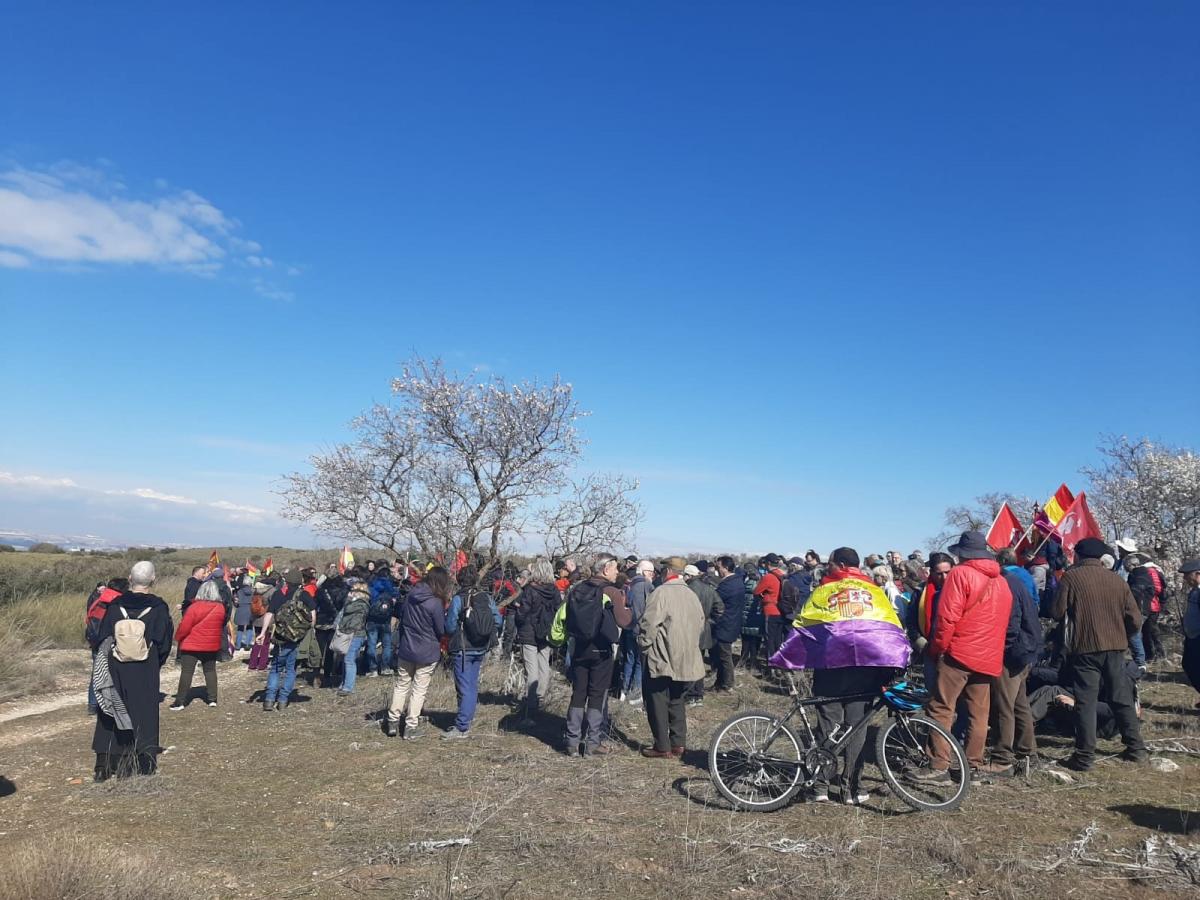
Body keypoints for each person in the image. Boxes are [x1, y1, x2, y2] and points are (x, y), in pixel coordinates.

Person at [770, 547, 911, 803]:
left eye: (831, 564)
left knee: (828, 722)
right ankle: (851, 788)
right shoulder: (875, 592)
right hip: (866, 669)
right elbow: (892, 628)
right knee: (857, 726)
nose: (827, 567)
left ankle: (820, 785)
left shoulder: (824, 591)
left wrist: (788, 656)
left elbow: (803, 625)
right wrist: (899, 659)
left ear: (841, 565)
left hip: (830, 667)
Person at [910, 531, 1012, 784]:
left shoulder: (960, 574)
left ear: (962, 553)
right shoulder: (1001, 581)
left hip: (960, 652)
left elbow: (947, 618)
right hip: (988, 656)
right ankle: (972, 766)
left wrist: (937, 649)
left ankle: (939, 765)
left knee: (941, 708)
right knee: (980, 714)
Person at [1052, 537, 1147, 771]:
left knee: (1086, 701)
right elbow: (1135, 619)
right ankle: (1136, 749)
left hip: (1084, 648)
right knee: (1121, 697)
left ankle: (1084, 756)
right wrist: (1122, 635)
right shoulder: (1117, 580)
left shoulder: (1072, 578)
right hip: (1115, 647)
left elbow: (1056, 611)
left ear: (1079, 556)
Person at [91, 561, 174, 780]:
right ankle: (141, 763)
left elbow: (103, 637)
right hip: (145, 665)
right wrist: (156, 661)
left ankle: (103, 764)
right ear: (153, 580)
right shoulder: (159, 607)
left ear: (130, 578)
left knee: (110, 709)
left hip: (116, 663)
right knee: (143, 712)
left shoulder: (115, 604)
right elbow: (164, 641)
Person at [563, 553, 629, 757]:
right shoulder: (612, 591)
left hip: (579, 647)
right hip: (601, 650)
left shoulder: (578, 588)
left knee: (578, 692)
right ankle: (592, 743)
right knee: (597, 694)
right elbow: (624, 621)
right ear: (606, 568)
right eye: (615, 568)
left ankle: (571, 742)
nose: (618, 572)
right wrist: (630, 609)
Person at [638, 556, 704, 758]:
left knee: (656, 700)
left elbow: (649, 625)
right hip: (687, 656)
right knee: (676, 700)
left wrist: (643, 645)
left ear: (667, 571)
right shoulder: (691, 595)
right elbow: (701, 623)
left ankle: (662, 746)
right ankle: (678, 743)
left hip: (662, 656)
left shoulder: (660, 593)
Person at [984, 548, 1041, 775]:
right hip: (1025, 649)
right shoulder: (1015, 580)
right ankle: (1028, 752)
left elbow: (1012, 622)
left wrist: (1001, 649)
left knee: (1003, 705)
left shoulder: (1005, 583)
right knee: (1019, 704)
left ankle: (1002, 758)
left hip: (1012, 652)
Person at [386, 566, 451, 740]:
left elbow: (403, 619)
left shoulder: (410, 596)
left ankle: (392, 721)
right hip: (427, 649)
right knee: (418, 689)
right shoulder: (435, 602)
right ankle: (410, 726)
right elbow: (440, 628)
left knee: (401, 685)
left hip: (407, 647)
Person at [443, 566, 502, 739]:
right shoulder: (486, 597)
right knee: (471, 685)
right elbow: (498, 620)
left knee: (464, 687)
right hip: (481, 647)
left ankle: (462, 727)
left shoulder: (458, 599)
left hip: (463, 648)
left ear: (459, 580)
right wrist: (483, 633)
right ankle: (465, 720)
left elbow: (450, 626)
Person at [259, 569, 317, 711]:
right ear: (300, 581)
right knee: (291, 669)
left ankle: (269, 699)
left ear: (287, 581)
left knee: (276, 669)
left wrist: (262, 632)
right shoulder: (305, 595)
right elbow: (313, 618)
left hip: (280, 636)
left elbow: (269, 614)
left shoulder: (279, 594)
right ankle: (283, 700)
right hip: (296, 638)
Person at [512, 556, 560, 721]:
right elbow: (558, 611)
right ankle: (539, 698)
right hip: (546, 633)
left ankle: (531, 707)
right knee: (543, 667)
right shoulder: (554, 591)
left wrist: (518, 614)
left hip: (529, 633)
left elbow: (522, 613)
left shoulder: (530, 590)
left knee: (531, 670)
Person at [170, 579, 226, 709]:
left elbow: (185, 626)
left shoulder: (194, 607)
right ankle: (212, 699)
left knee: (187, 672)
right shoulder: (220, 607)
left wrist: (178, 637)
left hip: (191, 644)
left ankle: (180, 702)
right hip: (211, 644)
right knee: (210, 670)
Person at [683, 564, 723, 707]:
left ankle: (690, 694)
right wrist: (709, 621)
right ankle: (698, 694)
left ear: (688, 576)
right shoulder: (709, 589)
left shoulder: (686, 590)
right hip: (705, 629)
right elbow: (720, 608)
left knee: (689, 663)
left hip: (689, 629)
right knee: (698, 662)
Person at [620, 560, 655, 704]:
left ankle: (623, 691)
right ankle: (636, 694)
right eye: (651, 572)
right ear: (646, 572)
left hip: (628, 627)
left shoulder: (629, 584)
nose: (652, 575)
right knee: (640, 663)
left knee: (629, 660)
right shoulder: (647, 586)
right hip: (641, 629)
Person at [1126, 552, 1169, 664]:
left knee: (1148, 632)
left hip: (1149, 605)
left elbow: (1157, 590)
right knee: (1150, 632)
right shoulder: (1155, 571)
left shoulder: (1147, 573)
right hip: (1153, 606)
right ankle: (1154, 655)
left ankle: (1153, 656)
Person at [711, 556, 744, 691]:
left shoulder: (727, 585)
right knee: (722, 655)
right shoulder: (737, 581)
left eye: (718, 567)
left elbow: (715, 601)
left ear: (725, 567)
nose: (717, 570)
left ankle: (728, 684)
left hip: (725, 624)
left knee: (724, 656)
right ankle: (720, 683)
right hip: (733, 622)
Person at [334, 577, 371, 696]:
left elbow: (348, 610)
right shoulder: (355, 602)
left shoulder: (361, 604)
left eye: (354, 588)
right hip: (349, 632)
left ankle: (348, 687)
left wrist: (349, 599)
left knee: (349, 660)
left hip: (355, 634)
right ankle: (344, 683)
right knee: (345, 659)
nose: (351, 590)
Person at [313, 572, 347, 687]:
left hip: (321, 622)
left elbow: (314, 605)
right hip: (334, 623)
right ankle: (327, 676)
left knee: (318, 650)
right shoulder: (343, 591)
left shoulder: (321, 591)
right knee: (330, 651)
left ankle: (316, 674)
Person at [754, 554, 787, 668]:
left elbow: (756, 592)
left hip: (770, 611)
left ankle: (771, 667)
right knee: (778, 640)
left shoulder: (768, 577)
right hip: (782, 611)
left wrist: (764, 595)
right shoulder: (783, 575)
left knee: (770, 641)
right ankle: (779, 665)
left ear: (767, 563)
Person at [365, 566, 399, 677]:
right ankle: (385, 667)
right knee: (387, 644)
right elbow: (396, 600)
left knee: (371, 644)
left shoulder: (372, 586)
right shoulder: (391, 586)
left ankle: (373, 669)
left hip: (372, 619)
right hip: (386, 619)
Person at [1179, 559, 1200, 705]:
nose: (1185, 578)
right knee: (1188, 664)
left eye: (1187, 575)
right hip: (1192, 635)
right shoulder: (1194, 591)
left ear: (1198, 574)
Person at [232, 572, 255, 651]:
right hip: (250, 609)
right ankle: (247, 644)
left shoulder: (239, 591)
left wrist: (236, 605)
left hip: (241, 609)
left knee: (240, 628)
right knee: (250, 627)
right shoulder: (253, 591)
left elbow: (235, 601)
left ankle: (238, 645)